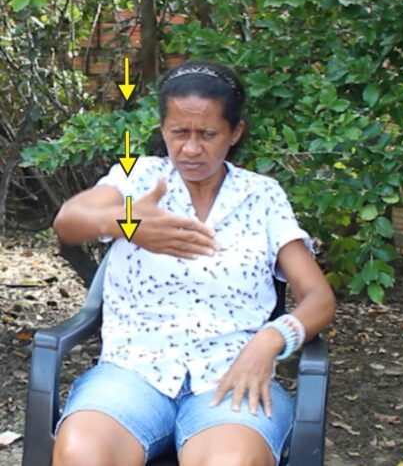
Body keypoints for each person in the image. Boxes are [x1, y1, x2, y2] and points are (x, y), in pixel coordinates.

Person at [50, 60, 337, 466]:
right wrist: (128, 224)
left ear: (235, 132)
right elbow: (68, 220)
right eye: (179, 132)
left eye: (207, 134)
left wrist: (271, 339)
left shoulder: (262, 196)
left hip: (231, 377)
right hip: (132, 373)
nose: (190, 149)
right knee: (83, 454)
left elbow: (318, 298)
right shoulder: (138, 178)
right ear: (163, 129)